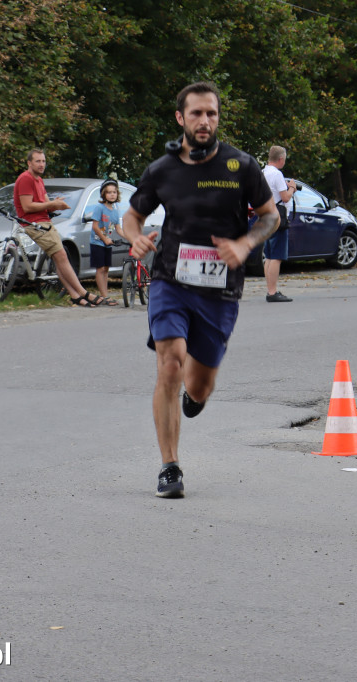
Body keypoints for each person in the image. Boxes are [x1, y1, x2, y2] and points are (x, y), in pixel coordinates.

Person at [121, 82, 279, 498]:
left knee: (199, 385)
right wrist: (134, 238)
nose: (204, 121)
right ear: (181, 118)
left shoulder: (241, 166)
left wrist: (245, 243)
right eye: (196, 114)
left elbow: (270, 216)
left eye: (211, 113)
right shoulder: (162, 170)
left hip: (219, 290)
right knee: (169, 363)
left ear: (218, 117)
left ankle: (196, 396)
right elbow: (131, 215)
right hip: (170, 280)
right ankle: (169, 466)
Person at [14, 149, 103, 307]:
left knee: (59, 258)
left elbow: (46, 206)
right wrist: (52, 204)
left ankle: (75, 295)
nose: (42, 164)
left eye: (43, 161)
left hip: (44, 222)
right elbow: (27, 207)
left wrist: (56, 204)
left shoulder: (39, 180)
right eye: (38, 161)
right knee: (61, 256)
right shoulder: (26, 179)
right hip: (34, 224)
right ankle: (83, 292)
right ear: (29, 163)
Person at [261, 145, 296, 302]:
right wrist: (292, 188)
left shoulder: (263, 172)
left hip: (265, 215)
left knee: (268, 255)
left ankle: (269, 289)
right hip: (277, 217)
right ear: (280, 159)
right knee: (277, 256)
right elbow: (286, 197)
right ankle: (273, 292)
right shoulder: (277, 174)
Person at [88, 180, 121, 306]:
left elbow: (118, 228)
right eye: (109, 192)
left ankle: (105, 294)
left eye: (114, 192)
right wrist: (104, 239)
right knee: (100, 268)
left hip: (108, 243)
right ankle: (105, 296)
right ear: (103, 194)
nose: (112, 195)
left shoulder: (116, 210)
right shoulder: (99, 208)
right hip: (97, 242)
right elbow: (95, 227)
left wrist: (129, 237)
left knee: (106, 269)